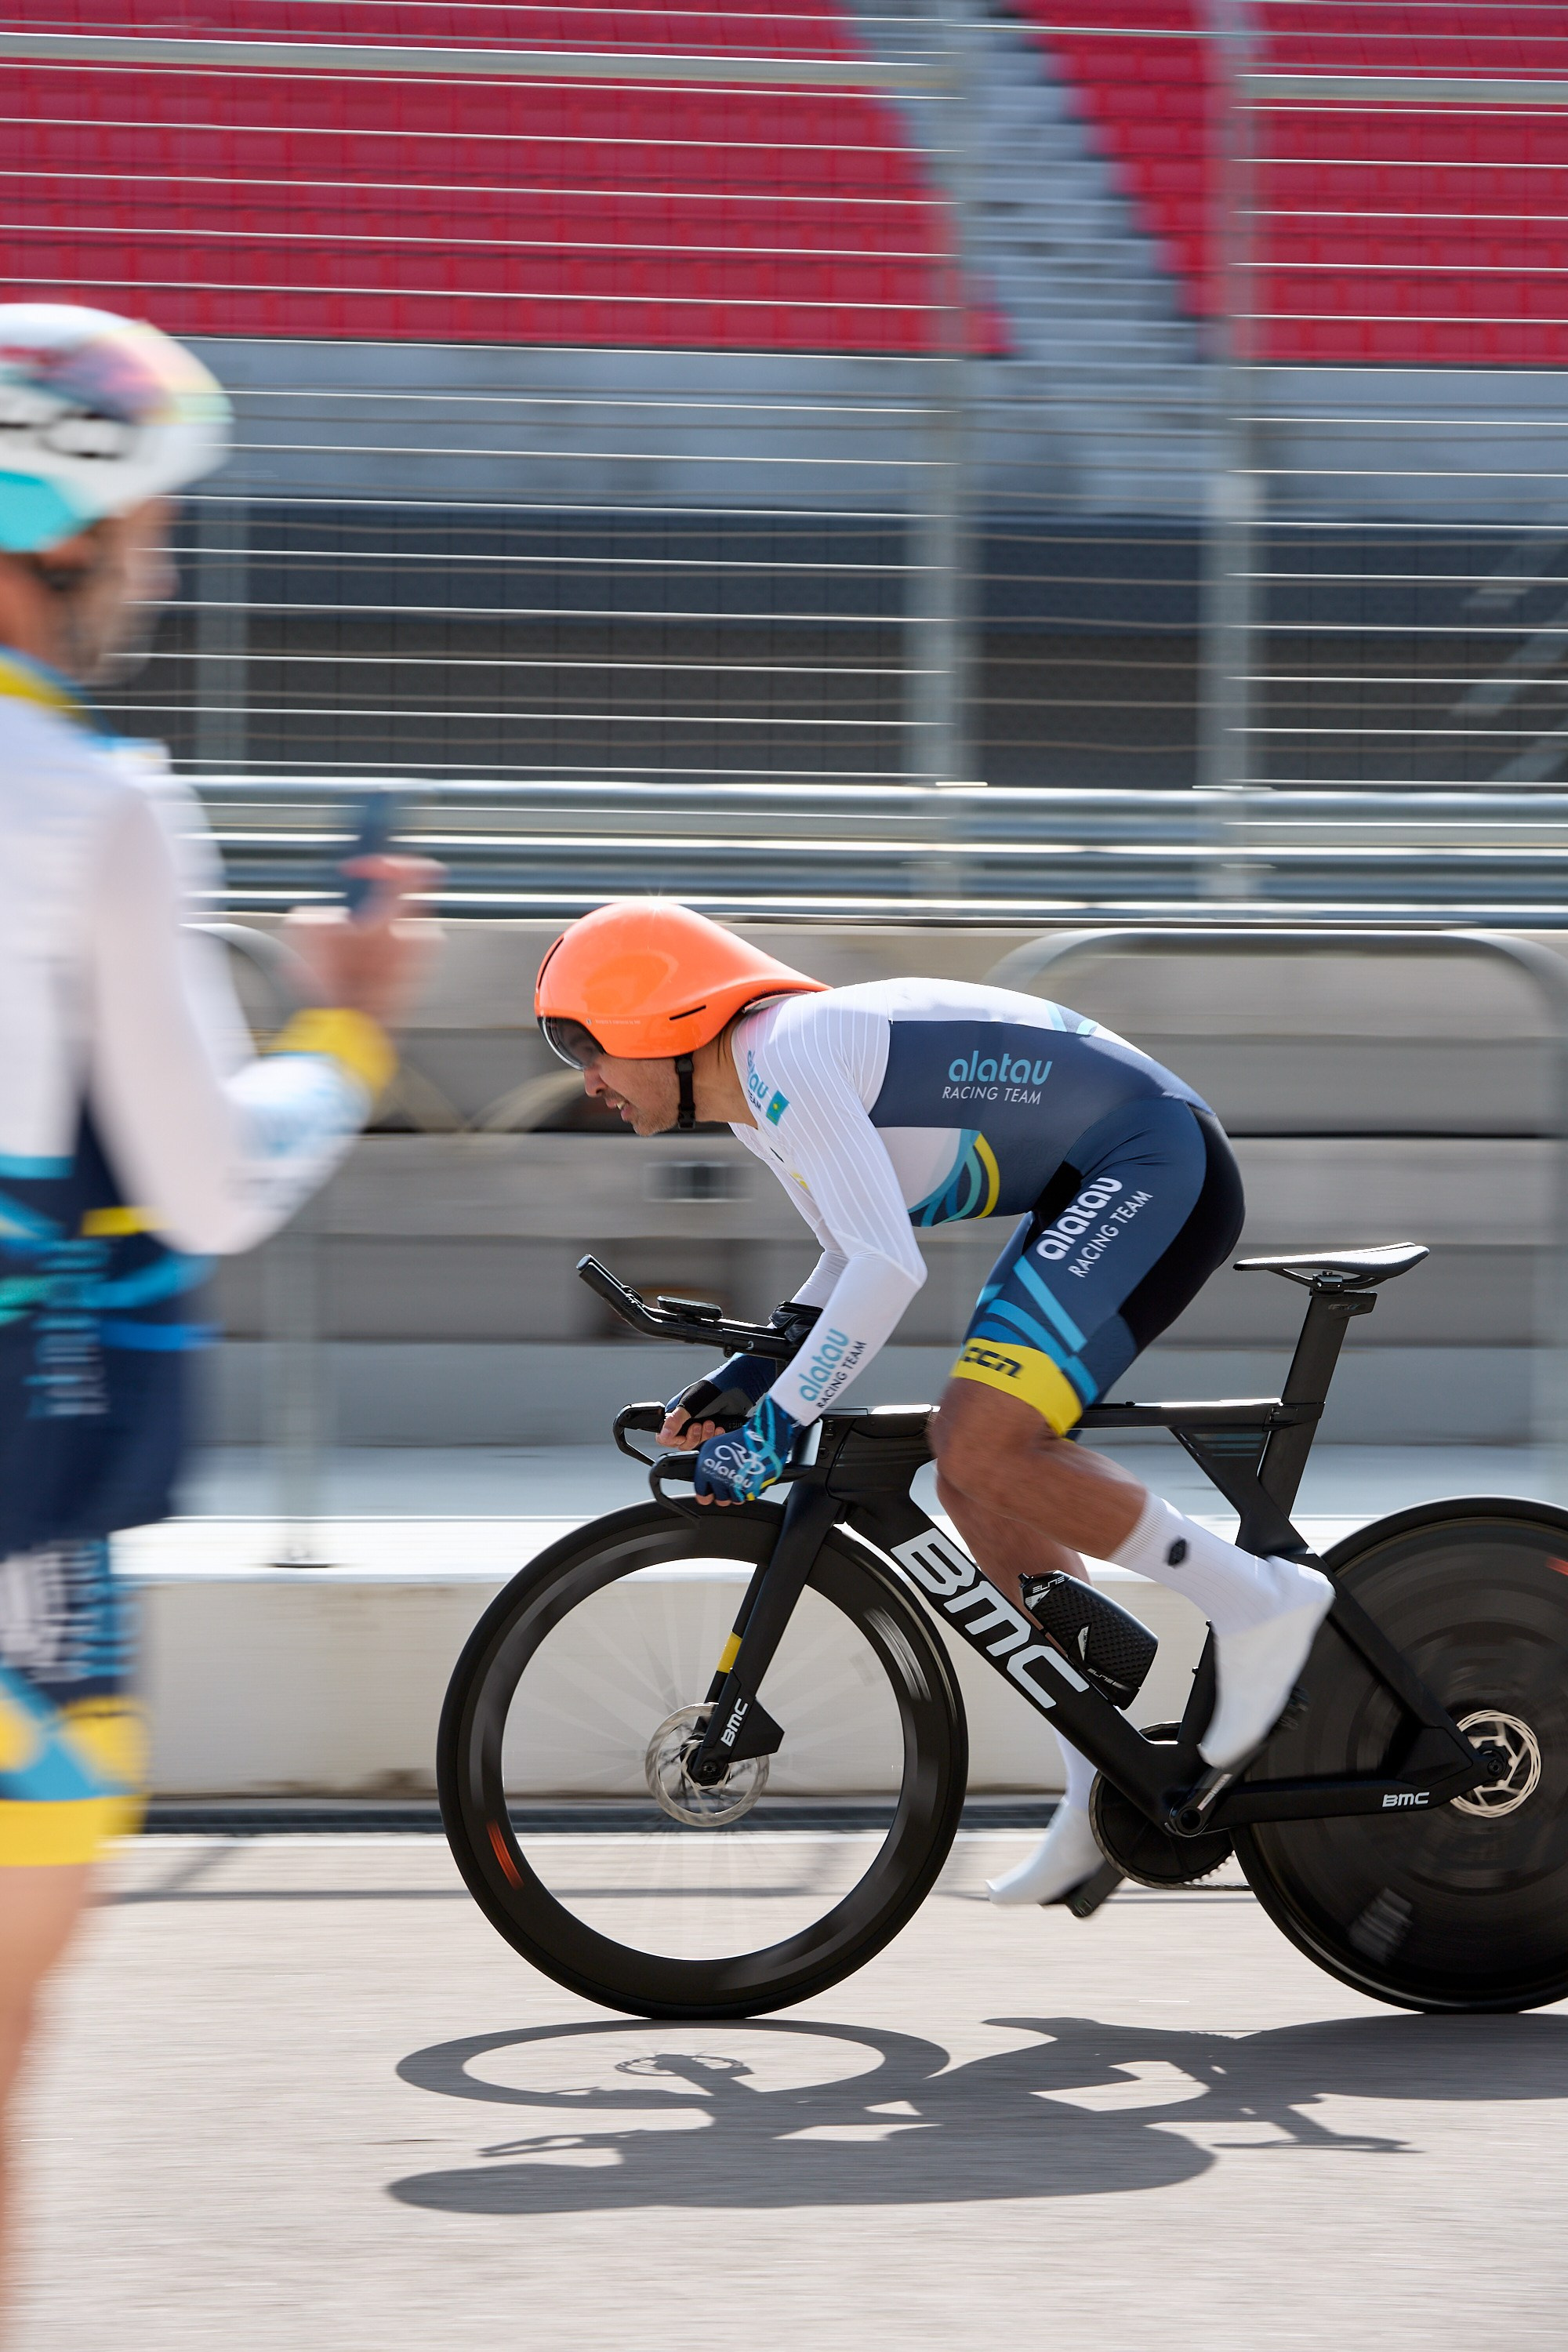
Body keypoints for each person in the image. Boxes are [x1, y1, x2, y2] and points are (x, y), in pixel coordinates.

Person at [0, 304, 437, 2314]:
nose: (163, 569)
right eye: (151, 522)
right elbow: (202, 1181)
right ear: (51, 520)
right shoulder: (90, 801)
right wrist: (343, 1031)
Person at [535, 898, 1334, 1908]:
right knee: (974, 1478)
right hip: (1095, 1181)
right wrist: (742, 1388)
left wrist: (780, 1424)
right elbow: (843, 1257)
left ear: (656, 1017)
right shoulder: (755, 1096)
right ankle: (1105, 1784)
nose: (587, 1078)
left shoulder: (787, 1055)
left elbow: (885, 1267)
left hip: (1153, 1164)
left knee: (985, 1442)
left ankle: (1258, 1601)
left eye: (583, 1044)